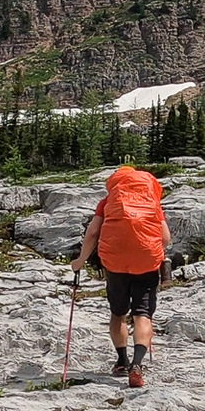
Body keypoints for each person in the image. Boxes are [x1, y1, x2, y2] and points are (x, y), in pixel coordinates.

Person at [71, 165, 168, 388]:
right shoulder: (151, 201)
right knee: (142, 315)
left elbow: (93, 233)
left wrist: (80, 261)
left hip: (115, 263)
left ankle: (122, 360)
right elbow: (166, 238)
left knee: (118, 313)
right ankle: (137, 364)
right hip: (146, 263)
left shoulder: (107, 203)